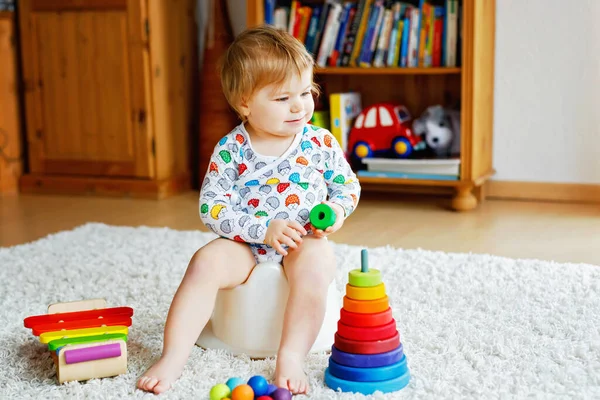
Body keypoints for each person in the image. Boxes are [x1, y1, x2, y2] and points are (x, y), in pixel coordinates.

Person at [137, 25, 360, 395]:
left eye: (306, 92)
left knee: (317, 265)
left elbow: (346, 185)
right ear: (245, 103)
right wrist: (261, 230)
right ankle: (173, 355)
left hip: (303, 238)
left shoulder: (319, 142)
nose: (299, 105)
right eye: (282, 98)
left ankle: (290, 355)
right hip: (244, 244)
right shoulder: (231, 149)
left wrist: (334, 210)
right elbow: (212, 207)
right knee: (204, 263)